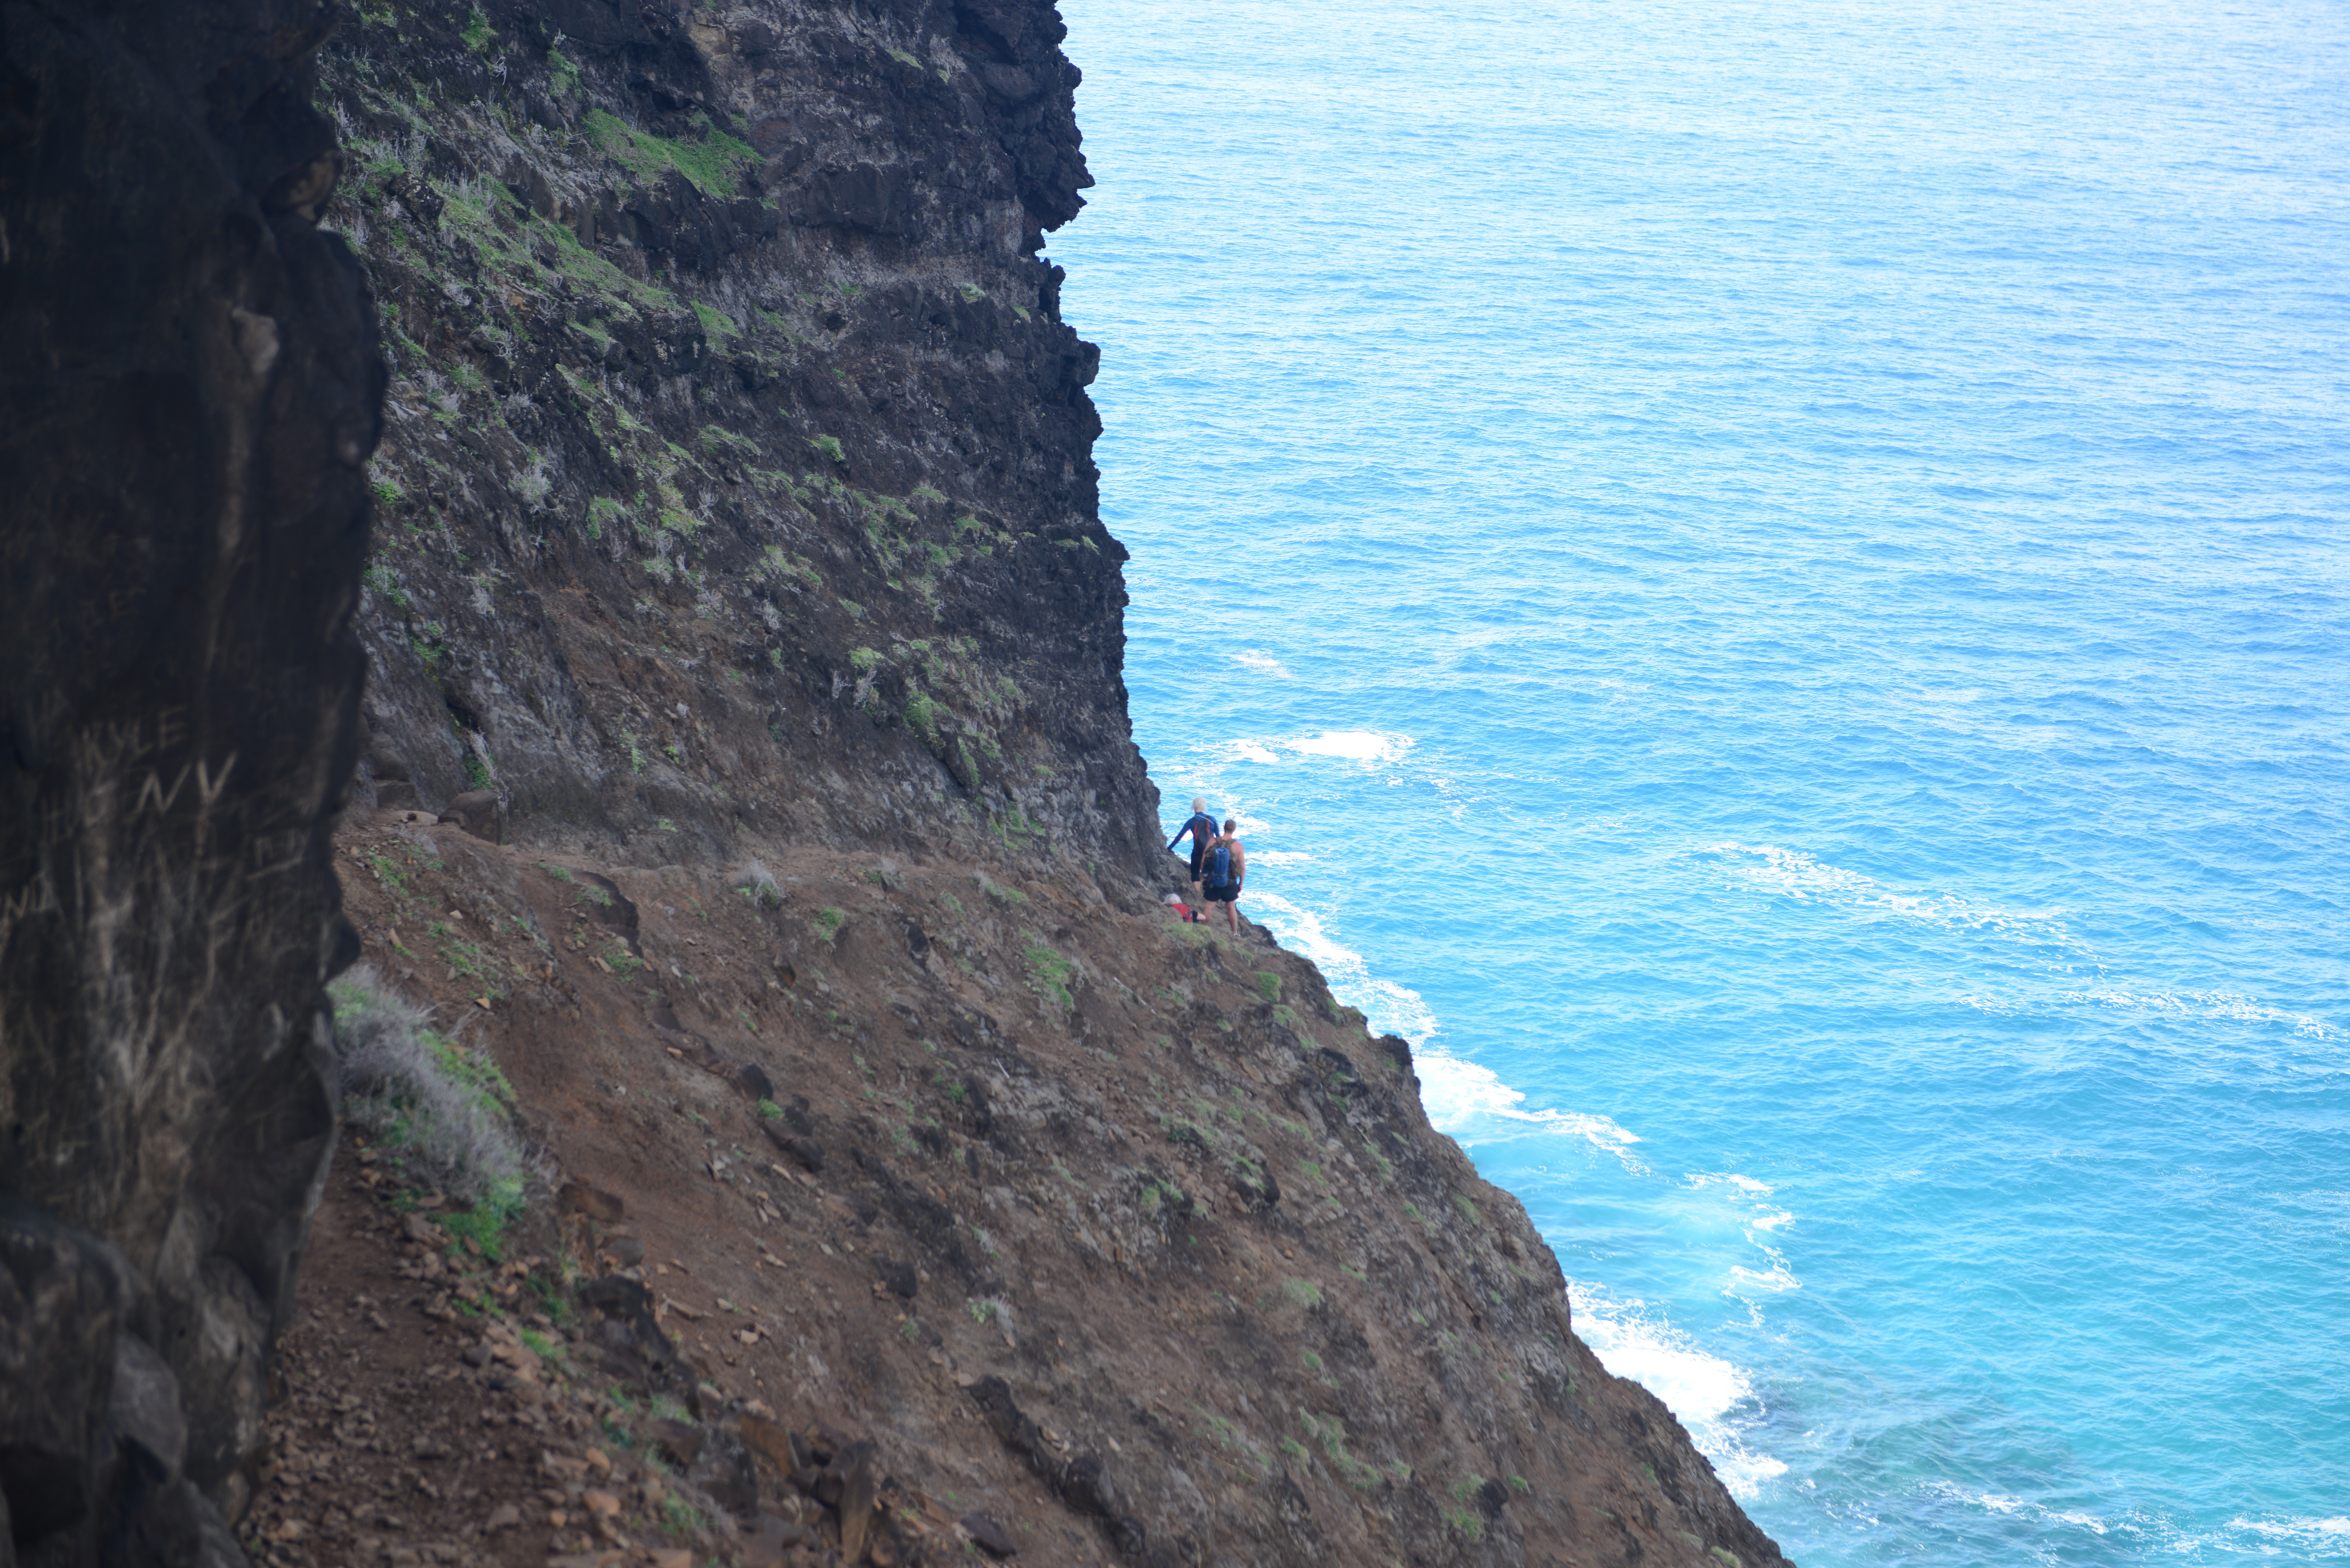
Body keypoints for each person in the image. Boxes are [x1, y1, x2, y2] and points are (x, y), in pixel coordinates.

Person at [1167, 795, 1218, 906]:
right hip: (1210, 854)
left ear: (1194, 808)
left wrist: (1169, 849)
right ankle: (1208, 895)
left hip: (1197, 852)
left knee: (1195, 872)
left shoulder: (1191, 822)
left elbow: (1179, 837)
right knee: (1209, 873)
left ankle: (1198, 893)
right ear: (1204, 807)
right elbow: (1219, 838)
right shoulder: (1212, 820)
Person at [1200, 818, 1246, 934]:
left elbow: (1203, 862)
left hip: (1213, 881)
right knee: (1231, 907)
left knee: (1210, 906)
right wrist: (1240, 884)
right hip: (1230, 883)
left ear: (1224, 828)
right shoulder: (1239, 847)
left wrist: (1205, 877)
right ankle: (1235, 933)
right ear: (1234, 830)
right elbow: (1242, 868)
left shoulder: (1212, 842)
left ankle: (1201, 930)